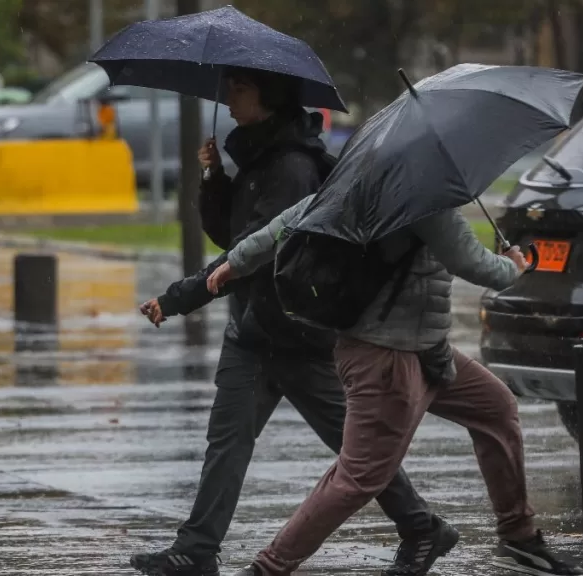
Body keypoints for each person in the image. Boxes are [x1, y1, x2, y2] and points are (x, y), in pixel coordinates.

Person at [130, 68, 447, 576]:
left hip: (296, 333)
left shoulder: (292, 167)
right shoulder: (259, 157)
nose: (229, 97)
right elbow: (228, 235)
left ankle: (421, 526)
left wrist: (177, 298)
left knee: (357, 451)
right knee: (227, 442)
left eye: (240, 89)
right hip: (253, 332)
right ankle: (197, 549)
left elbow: (249, 256)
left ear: (269, 97)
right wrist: (213, 177)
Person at [206, 194, 583, 576]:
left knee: (495, 407)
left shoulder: (361, 184)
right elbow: (473, 263)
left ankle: (519, 539)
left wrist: (236, 262)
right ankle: (268, 568)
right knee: (358, 477)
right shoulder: (425, 200)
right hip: (387, 358)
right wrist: (513, 266)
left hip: (426, 349)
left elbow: (285, 221)